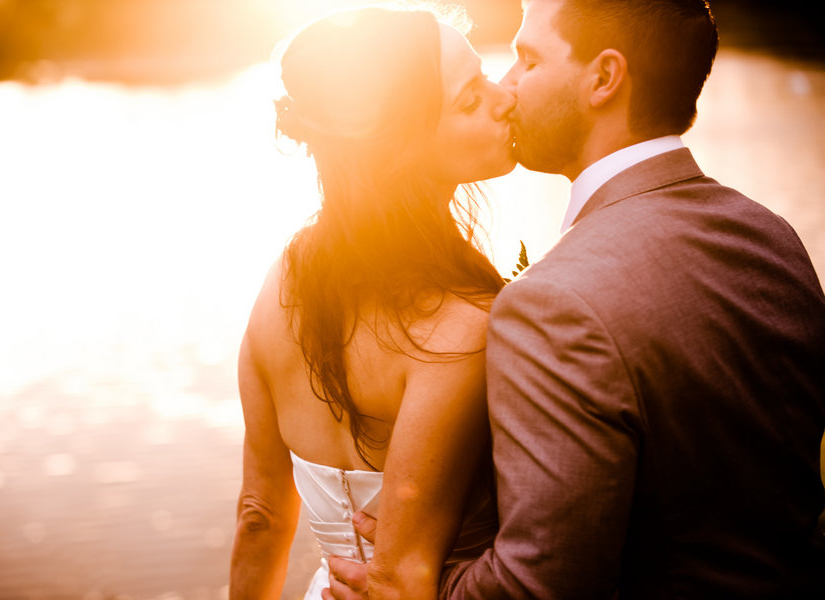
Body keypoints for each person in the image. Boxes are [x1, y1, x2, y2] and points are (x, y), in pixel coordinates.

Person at [326, 0, 825, 598]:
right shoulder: (772, 237)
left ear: (604, 79)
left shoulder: (554, 303)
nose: (506, 89)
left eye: (528, 61)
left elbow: (539, 587)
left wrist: (423, 582)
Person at [228, 5, 520, 599]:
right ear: (405, 149)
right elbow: (403, 576)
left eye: (486, 74)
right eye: (469, 100)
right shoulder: (463, 328)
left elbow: (259, 514)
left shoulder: (279, 282)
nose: (505, 98)